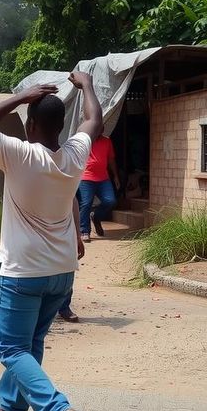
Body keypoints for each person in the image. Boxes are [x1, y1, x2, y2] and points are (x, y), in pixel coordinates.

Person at [0, 71, 102, 411]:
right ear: (60, 126)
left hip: (22, 273)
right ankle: (10, 409)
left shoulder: (21, 154)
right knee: (30, 345)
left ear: (33, 124)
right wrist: (86, 85)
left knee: (9, 347)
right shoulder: (75, 154)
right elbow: (94, 120)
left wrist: (21, 97)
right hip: (61, 274)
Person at [59, 133, 119, 322]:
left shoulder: (106, 141)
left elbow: (73, 205)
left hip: (101, 179)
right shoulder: (77, 144)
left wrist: (77, 235)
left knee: (108, 201)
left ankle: (64, 307)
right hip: (86, 178)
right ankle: (47, 307)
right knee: (86, 202)